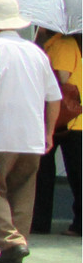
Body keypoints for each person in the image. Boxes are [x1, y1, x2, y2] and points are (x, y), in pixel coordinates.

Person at [0, 0, 61, 263]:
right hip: (32, 137)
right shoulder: (36, 52)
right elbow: (54, 97)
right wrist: (49, 133)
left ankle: (10, 241)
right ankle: (18, 244)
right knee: (23, 192)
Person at [31, 25, 80, 237]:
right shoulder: (58, 44)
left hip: (67, 119)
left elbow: (62, 79)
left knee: (50, 172)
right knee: (70, 172)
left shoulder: (63, 45)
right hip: (70, 120)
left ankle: (42, 222)